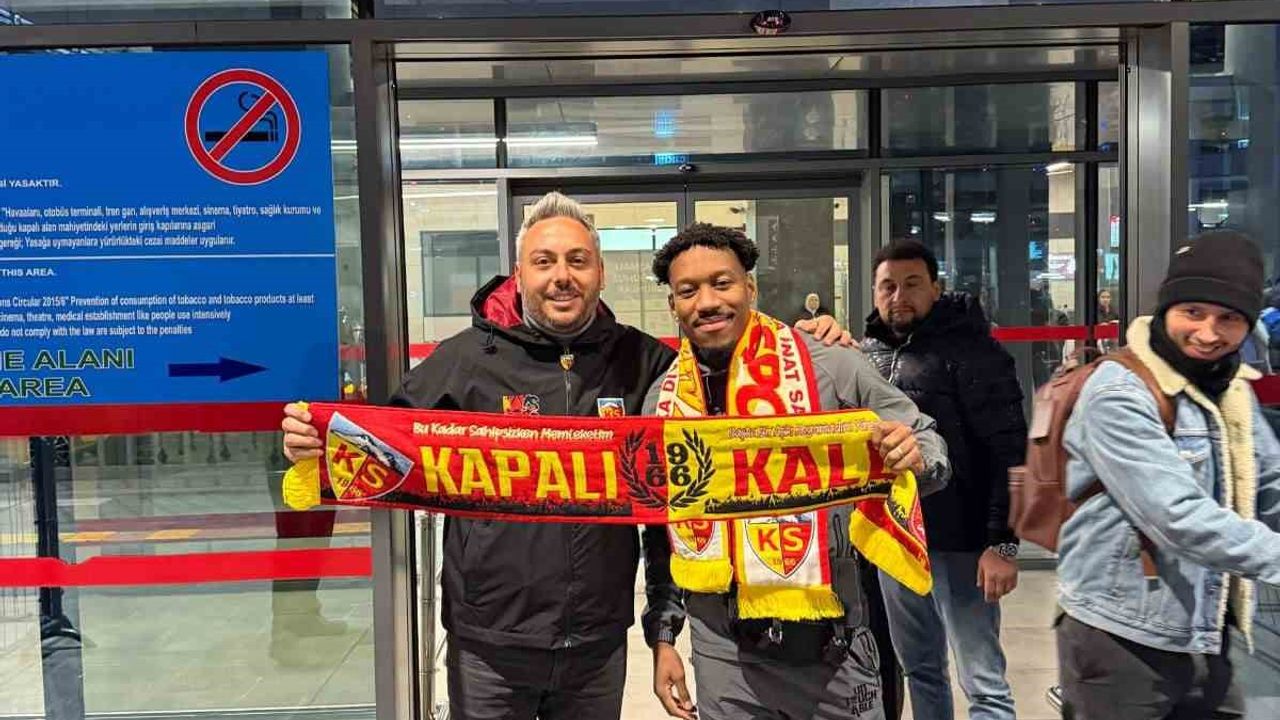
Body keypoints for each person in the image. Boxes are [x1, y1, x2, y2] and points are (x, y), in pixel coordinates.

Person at [280, 193, 848, 720]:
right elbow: (383, 438)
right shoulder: (466, 360)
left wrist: (808, 343)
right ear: (519, 272)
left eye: (578, 261)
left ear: (600, 272)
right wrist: (318, 443)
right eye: (544, 261)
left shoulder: (641, 361)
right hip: (489, 643)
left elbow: (723, 376)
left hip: (597, 645)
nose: (562, 276)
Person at [641, 223, 950, 720]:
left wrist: (916, 455)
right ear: (673, 304)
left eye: (722, 283)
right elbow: (662, 533)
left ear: (750, 287)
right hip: (724, 654)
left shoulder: (828, 364)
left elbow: (925, 436)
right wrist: (664, 635)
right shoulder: (663, 402)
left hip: (832, 646)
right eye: (688, 290)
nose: (707, 302)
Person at [1056, 230, 1280, 719]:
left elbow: (1270, 482)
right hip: (1121, 634)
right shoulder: (1119, 391)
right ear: (1165, 310)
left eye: (1229, 319)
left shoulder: (1229, 387)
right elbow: (1176, 516)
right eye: (1193, 312)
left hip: (1207, 625)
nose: (1209, 333)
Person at [859, 241, 1024, 720]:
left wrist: (1002, 544)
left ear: (936, 288)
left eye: (912, 284)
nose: (899, 297)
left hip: (963, 543)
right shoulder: (866, 356)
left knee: (983, 682)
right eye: (888, 286)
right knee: (920, 670)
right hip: (896, 538)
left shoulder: (976, 352)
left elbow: (1010, 452)